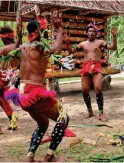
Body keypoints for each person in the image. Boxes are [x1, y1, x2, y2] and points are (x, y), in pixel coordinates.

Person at [13, 11, 69, 162]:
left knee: (43, 124)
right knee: (63, 117)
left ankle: (30, 156)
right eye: (43, 30)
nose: (44, 33)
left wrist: (18, 38)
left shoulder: (23, 48)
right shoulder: (39, 47)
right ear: (37, 31)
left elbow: (11, 53)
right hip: (34, 92)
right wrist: (59, 29)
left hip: (22, 94)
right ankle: (50, 155)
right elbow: (56, 49)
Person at [72, 23, 118, 121]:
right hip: (86, 67)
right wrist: (67, 42)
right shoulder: (82, 44)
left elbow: (113, 47)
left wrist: (114, 37)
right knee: (84, 90)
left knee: (98, 88)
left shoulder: (100, 42)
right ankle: (90, 111)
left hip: (96, 67)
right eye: (89, 31)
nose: (91, 33)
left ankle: (101, 113)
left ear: (96, 33)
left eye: (93, 31)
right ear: (86, 33)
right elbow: (72, 51)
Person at [0, 26, 21, 130]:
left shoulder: (5, 48)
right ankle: (13, 120)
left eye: (2, 37)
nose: (1, 39)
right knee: (1, 99)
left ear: (5, 36)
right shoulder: (18, 47)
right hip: (9, 77)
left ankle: (12, 120)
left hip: (3, 77)